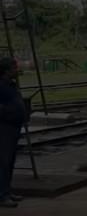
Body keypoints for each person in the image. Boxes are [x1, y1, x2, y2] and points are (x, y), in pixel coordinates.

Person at [0, 57, 25, 208]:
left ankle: (7, 191)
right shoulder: (0, 85)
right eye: (14, 67)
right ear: (6, 70)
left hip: (13, 127)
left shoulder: (10, 85)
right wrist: (7, 113)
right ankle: (2, 195)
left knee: (9, 162)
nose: (17, 70)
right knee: (3, 162)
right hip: (4, 128)